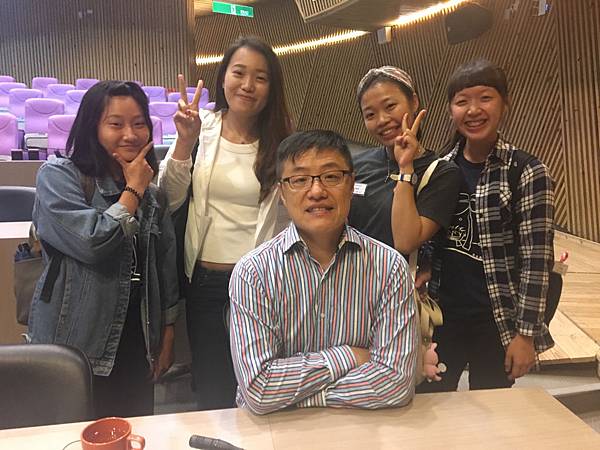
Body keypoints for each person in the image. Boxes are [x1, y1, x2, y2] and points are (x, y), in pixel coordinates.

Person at [229, 130, 418, 415]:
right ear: (282, 193)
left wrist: (296, 399)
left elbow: (396, 382)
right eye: (300, 180)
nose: (316, 191)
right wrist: (347, 356)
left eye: (331, 176)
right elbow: (259, 389)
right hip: (273, 431)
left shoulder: (389, 267)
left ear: (351, 184)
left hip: (360, 427)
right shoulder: (253, 273)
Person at [27, 81, 179, 418]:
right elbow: (92, 243)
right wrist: (133, 191)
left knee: (133, 432)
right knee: (73, 435)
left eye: (139, 123)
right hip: (75, 342)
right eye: (115, 124)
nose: (130, 134)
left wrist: (167, 333)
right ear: (92, 127)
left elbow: (164, 267)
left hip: (137, 340)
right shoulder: (59, 177)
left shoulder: (154, 195)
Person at [158, 36, 293, 410]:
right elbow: (169, 197)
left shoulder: (283, 142)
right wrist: (184, 143)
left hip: (262, 284)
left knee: (261, 387)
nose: (248, 85)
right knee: (213, 391)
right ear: (223, 78)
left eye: (261, 78)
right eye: (239, 73)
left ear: (272, 88)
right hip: (205, 282)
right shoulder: (201, 127)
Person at [420, 59, 555, 392]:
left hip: (496, 320)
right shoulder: (439, 169)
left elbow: (537, 260)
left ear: (504, 104)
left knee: (492, 412)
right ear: (450, 110)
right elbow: (429, 239)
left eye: (485, 98)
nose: (473, 110)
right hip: (443, 317)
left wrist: (526, 335)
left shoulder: (526, 171)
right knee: (430, 402)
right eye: (462, 101)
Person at [349, 66, 461, 261]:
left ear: (414, 102)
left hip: (394, 278)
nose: (382, 120)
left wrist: (405, 166)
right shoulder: (357, 164)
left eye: (390, 106)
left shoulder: (442, 173)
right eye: (370, 115)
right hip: (350, 274)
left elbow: (406, 242)